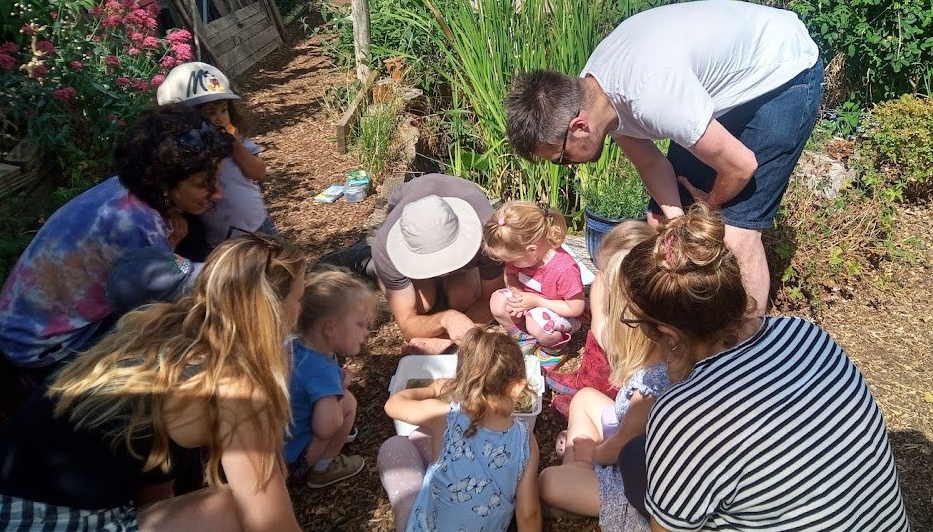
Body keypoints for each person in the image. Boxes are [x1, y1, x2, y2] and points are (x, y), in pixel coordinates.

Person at [504, 0, 824, 317]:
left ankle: (746, 347)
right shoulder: (592, 95)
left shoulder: (653, 97)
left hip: (782, 71)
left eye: (561, 157)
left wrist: (707, 208)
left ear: (579, 127)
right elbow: (651, 163)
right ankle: (691, 324)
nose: (567, 165)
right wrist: (675, 219)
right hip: (716, 85)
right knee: (660, 219)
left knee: (736, 233)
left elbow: (741, 166)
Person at [0, 234, 306, 531]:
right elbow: (270, 523)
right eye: (299, 299)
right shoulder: (236, 388)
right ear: (274, 312)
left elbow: (151, 477)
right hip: (39, 521)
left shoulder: (163, 329)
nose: (301, 308)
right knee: (234, 510)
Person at [617, 205, 910, 531]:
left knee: (635, 464)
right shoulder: (806, 334)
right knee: (634, 457)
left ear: (669, 334)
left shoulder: (684, 414)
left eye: (635, 320)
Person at [0, 104, 232, 374]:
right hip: (46, 346)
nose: (218, 194)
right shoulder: (136, 222)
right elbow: (160, 304)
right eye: (203, 184)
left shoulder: (131, 188)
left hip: (24, 328)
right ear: (165, 183)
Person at [539, 220, 668, 531]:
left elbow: (624, 446)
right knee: (584, 398)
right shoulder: (664, 348)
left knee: (546, 482)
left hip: (637, 482)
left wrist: (594, 452)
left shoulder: (646, 391)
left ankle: (579, 488)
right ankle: (579, 475)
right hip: (630, 444)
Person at [377, 328, 541, 532]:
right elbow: (528, 515)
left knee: (396, 445)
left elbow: (392, 405)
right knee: (422, 437)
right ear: (517, 386)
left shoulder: (444, 417)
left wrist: (433, 389)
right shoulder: (525, 440)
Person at [361, 174, 504, 354]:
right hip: (407, 199)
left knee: (463, 297)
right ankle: (373, 267)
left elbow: (490, 299)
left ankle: (441, 287)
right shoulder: (385, 248)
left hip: (459, 193)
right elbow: (407, 323)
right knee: (423, 305)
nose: (443, 271)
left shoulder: (488, 234)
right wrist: (446, 318)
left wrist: (444, 340)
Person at [545, 220, 656, 417]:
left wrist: (598, 309)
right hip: (626, 378)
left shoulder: (635, 320)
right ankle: (585, 379)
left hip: (626, 396)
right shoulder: (642, 301)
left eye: (604, 272)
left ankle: (594, 388)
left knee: (602, 328)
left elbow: (608, 342)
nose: (600, 276)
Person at [157, 61, 274, 247]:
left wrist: (234, 145)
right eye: (210, 113)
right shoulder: (181, 156)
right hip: (221, 241)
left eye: (224, 110)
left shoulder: (236, 140)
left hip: (260, 225)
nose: (220, 118)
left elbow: (259, 173)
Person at [283, 267, 373, 488]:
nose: (366, 333)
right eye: (360, 324)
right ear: (329, 329)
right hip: (292, 464)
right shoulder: (322, 369)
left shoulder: (292, 347)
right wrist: (337, 393)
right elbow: (327, 426)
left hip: (274, 452)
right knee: (349, 403)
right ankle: (323, 469)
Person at [483, 201, 585, 370]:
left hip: (560, 312)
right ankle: (524, 337)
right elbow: (509, 275)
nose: (510, 263)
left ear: (532, 250)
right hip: (531, 305)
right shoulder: (522, 257)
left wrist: (536, 301)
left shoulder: (564, 269)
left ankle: (554, 349)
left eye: (512, 260)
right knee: (497, 301)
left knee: (535, 322)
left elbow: (576, 307)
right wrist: (516, 292)